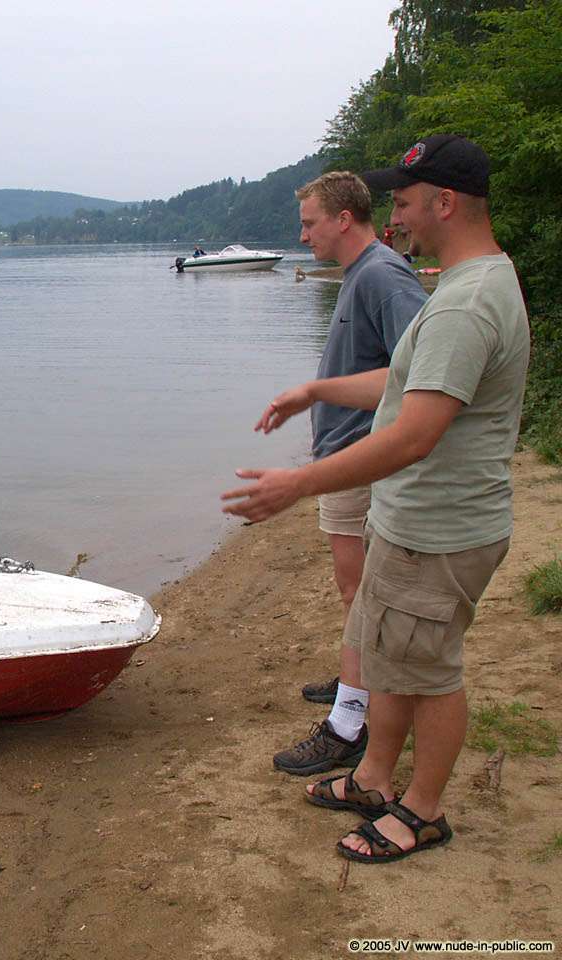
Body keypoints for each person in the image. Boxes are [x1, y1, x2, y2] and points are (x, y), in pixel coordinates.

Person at [222, 135, 529, 862]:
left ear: (444, 203)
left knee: (429, 672)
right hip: (412, 520)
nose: (394, 217)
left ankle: (421, 812)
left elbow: (415, 435)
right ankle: (372, 778)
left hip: (440, 527)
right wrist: (316, 390)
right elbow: (402, 383)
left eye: (404, 201)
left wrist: (298, 483)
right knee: (389, 657)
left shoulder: (465, 304)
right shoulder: (464, 286)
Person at [262, 172, 427, 777]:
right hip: (347, 454)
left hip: (363, 458)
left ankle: (351, 718)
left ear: (342, 219)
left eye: (309, 223)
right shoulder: (360, 273)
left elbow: (422, 370)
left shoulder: (382, 275)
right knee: (355, 591)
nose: (302, 235)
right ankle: (358, 679)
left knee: (362, 594)